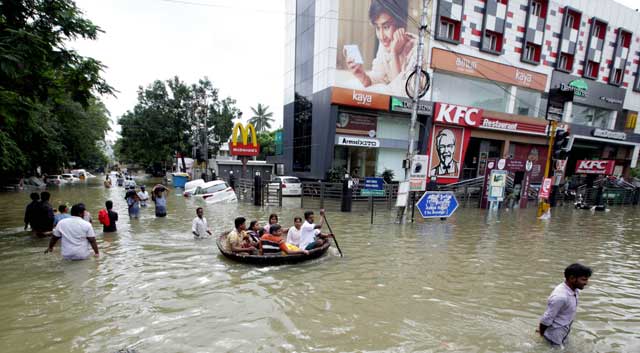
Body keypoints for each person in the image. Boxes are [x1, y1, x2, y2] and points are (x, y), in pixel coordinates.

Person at [344, 0, 417, 94]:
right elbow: (376, 80)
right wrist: (361, 75)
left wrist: (394, 54)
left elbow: (400, 96)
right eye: (378, 28)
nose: (381, 36)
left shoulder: (417, 51)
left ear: (401, 24)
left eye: (386, 27)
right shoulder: (384, 46)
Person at [538, 263, 593, 346]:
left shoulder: (574, 290)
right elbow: (546, 318)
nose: (586, 283)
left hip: (564, 331)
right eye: (583, 280)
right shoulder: (560, 296)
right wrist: (541, 334)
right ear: (572, 278)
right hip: (554, 336)